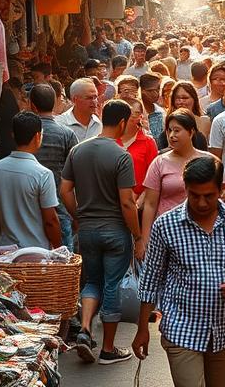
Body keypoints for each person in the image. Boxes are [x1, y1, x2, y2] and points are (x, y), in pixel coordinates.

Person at [133, 157, 225, 387]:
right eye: (194, 195)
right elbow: (150, 280)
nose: (201, 203)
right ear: (186, 189)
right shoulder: (165, 226)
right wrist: (143, 329)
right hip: (181, 329)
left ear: (221, 189)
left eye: (209, 196)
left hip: (224, 329)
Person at [60, 100, 141, 365]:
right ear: (121, 123)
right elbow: (127, 202)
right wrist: (137, 234)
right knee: (111, 285)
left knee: (91, 281)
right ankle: (108, 348)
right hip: (116, 231)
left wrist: (79, 215)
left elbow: (64, 191)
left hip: (88, 231)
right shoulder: (121, 156)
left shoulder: (77, 151)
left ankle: (84, 330)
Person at [137, 109, 214, 258]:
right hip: (167, 233)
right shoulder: (159, 163)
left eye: (177, 130)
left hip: (200, 233)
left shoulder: (209, 161)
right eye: (169, 130)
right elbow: (150, 204)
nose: (172, 135)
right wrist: (145, 240)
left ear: (191, 132)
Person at [0, 111, 62, 249]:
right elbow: (50, 220)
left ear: (13, 135)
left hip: (5, 250)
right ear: (38, 136)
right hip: (36, 251)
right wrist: (58, 249)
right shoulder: (43, 174)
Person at [28, 84, 77, 252]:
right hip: (59, 206)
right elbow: (75, 175)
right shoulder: (66, 134)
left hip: (29, 208)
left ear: (32, 105)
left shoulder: (26, 133)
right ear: (55, 103)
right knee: (63, 261)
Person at [117, 97, 159, 201]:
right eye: (128, 113)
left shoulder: (148, 142)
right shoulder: (110, 140)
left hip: (139, 201)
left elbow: (153, 177)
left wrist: (141, 200)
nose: (131, 117)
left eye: (135, 113)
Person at [167, 80, 211, 149]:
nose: (181, 101)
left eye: (185, 98)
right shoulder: (167, 121)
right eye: (177, 98)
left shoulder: (204, 121)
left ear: (194, 99)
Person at [58, 78, 102, 143]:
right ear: (74, 100)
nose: (94, 101)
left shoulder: (98, 123)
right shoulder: (60, 124)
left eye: (95, 97)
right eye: (89, 98)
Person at [139, 72, 166, 144]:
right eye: (150, 91)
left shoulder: (161, 112)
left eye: (157, 90)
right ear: (141, 90)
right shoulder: (136, 113)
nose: (156, 94)